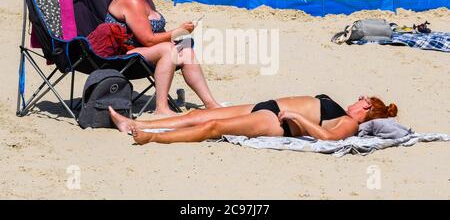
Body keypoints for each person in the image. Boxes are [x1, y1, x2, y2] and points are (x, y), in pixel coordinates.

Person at [106, 0, 221, 115]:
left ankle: (211, 103)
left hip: (140, 48)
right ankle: (161, 107)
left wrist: (178, 36)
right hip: (123, 53)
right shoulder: (133, 1)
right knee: (170, 50)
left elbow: (153, 32)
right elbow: (148, 40)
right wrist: (179, 31)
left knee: (186, 50)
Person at [108, 94, 398, 145]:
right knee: (198, 115)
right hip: (267, 105)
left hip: (277, 123)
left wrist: (297, 116)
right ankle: (136, 124)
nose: (357, 99)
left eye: (362, 99)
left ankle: (151, 137)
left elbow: (329, 138)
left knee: (212, 128)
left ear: (367, 108)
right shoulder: (347, 113)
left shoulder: (349, 123)